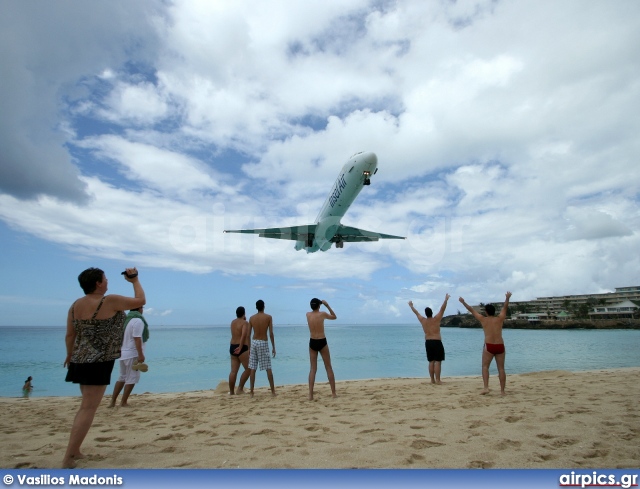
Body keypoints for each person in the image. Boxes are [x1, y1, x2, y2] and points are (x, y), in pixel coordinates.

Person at [62, 267, 145, 468]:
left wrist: (70, 354)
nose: (107, 282)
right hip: (98, 362)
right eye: (105, 279)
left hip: (80, 360)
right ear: (98, 283)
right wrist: (134, 281)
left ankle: (75, 451)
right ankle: (68, 458)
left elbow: (70, 335)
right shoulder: (109, 301)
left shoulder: (75, 305)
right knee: (88, 408)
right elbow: (140, 301)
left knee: (86, 406)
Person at [459, 292, 512, 395]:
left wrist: (463, 302)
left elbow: (471, 310)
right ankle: (502, 391)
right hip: (500, 345)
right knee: (501, 368)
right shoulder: (500, 319)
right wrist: (507, 298)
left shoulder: (483, 319)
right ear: (494, 311)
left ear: (486, 312)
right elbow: (505, 307)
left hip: (489, 345)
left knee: (485, 367)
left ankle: (486, 387)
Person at [108, 305, 149, 408]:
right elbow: (137, 338)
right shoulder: (138, 321)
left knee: (122, 377)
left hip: (123, 352)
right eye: (142, 308)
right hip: (132, 353)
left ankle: (113, 402)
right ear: (139, 309)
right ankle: (123, 402)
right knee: (132, 378)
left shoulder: (127, 320)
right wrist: (140, 354)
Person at [408, 294, 450, 385]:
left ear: (426, 314)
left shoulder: (423, 321)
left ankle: (432, 380)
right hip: (437, 341)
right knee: (438, 361)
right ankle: (438, 380)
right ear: (432, 313)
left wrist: (411, 306)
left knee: (431, 361)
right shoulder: (436, 319)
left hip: (428, 342)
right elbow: (442, 309)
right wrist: (446, 300)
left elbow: (417, 313)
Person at [306, 298, 338, 401]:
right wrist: (327, 305)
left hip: (313, 341)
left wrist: (319, 304)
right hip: (322, 341)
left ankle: (311, 395)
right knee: (328, 367)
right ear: (319, 306)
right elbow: (334, 317)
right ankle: (333, 393)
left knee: (313, 369)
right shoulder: (322, 314)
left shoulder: (308, 315)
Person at [247, 300, 276, 397]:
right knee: (268, 367)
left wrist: (248, 348)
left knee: (252, 368)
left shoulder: (251, 318)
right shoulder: (268, 317)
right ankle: (272, 391)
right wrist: (273, 347)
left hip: (254, 342)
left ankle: (251, 392)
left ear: (256, 307)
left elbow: (248, 334)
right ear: (264, 306)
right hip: (263, 342)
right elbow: (271, 333)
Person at [228, 306, 251, 395]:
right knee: (249, 369)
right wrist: (241, 347)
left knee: (233, 371)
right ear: (244, 313)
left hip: (232, 346)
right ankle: (240, 388)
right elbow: (244, 335)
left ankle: (231, 392)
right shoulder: (245, 323)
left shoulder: (233, 322)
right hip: (241, 347)